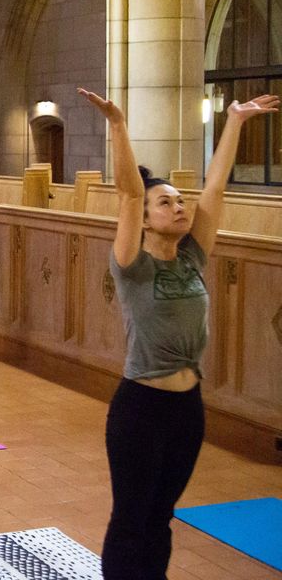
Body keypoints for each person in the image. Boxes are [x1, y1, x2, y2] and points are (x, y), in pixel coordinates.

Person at [78, 86, 277, 580]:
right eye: (165, 202)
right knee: (131, 521)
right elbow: (128, 191)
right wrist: (118, 126)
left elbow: (215, 189)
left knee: (161, 519)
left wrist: (233, 121)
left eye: (179, 200)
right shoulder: (132, 265)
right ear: (144, 221)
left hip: (188, 409)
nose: (179, 206)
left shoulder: (192, 257)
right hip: (140, 410)